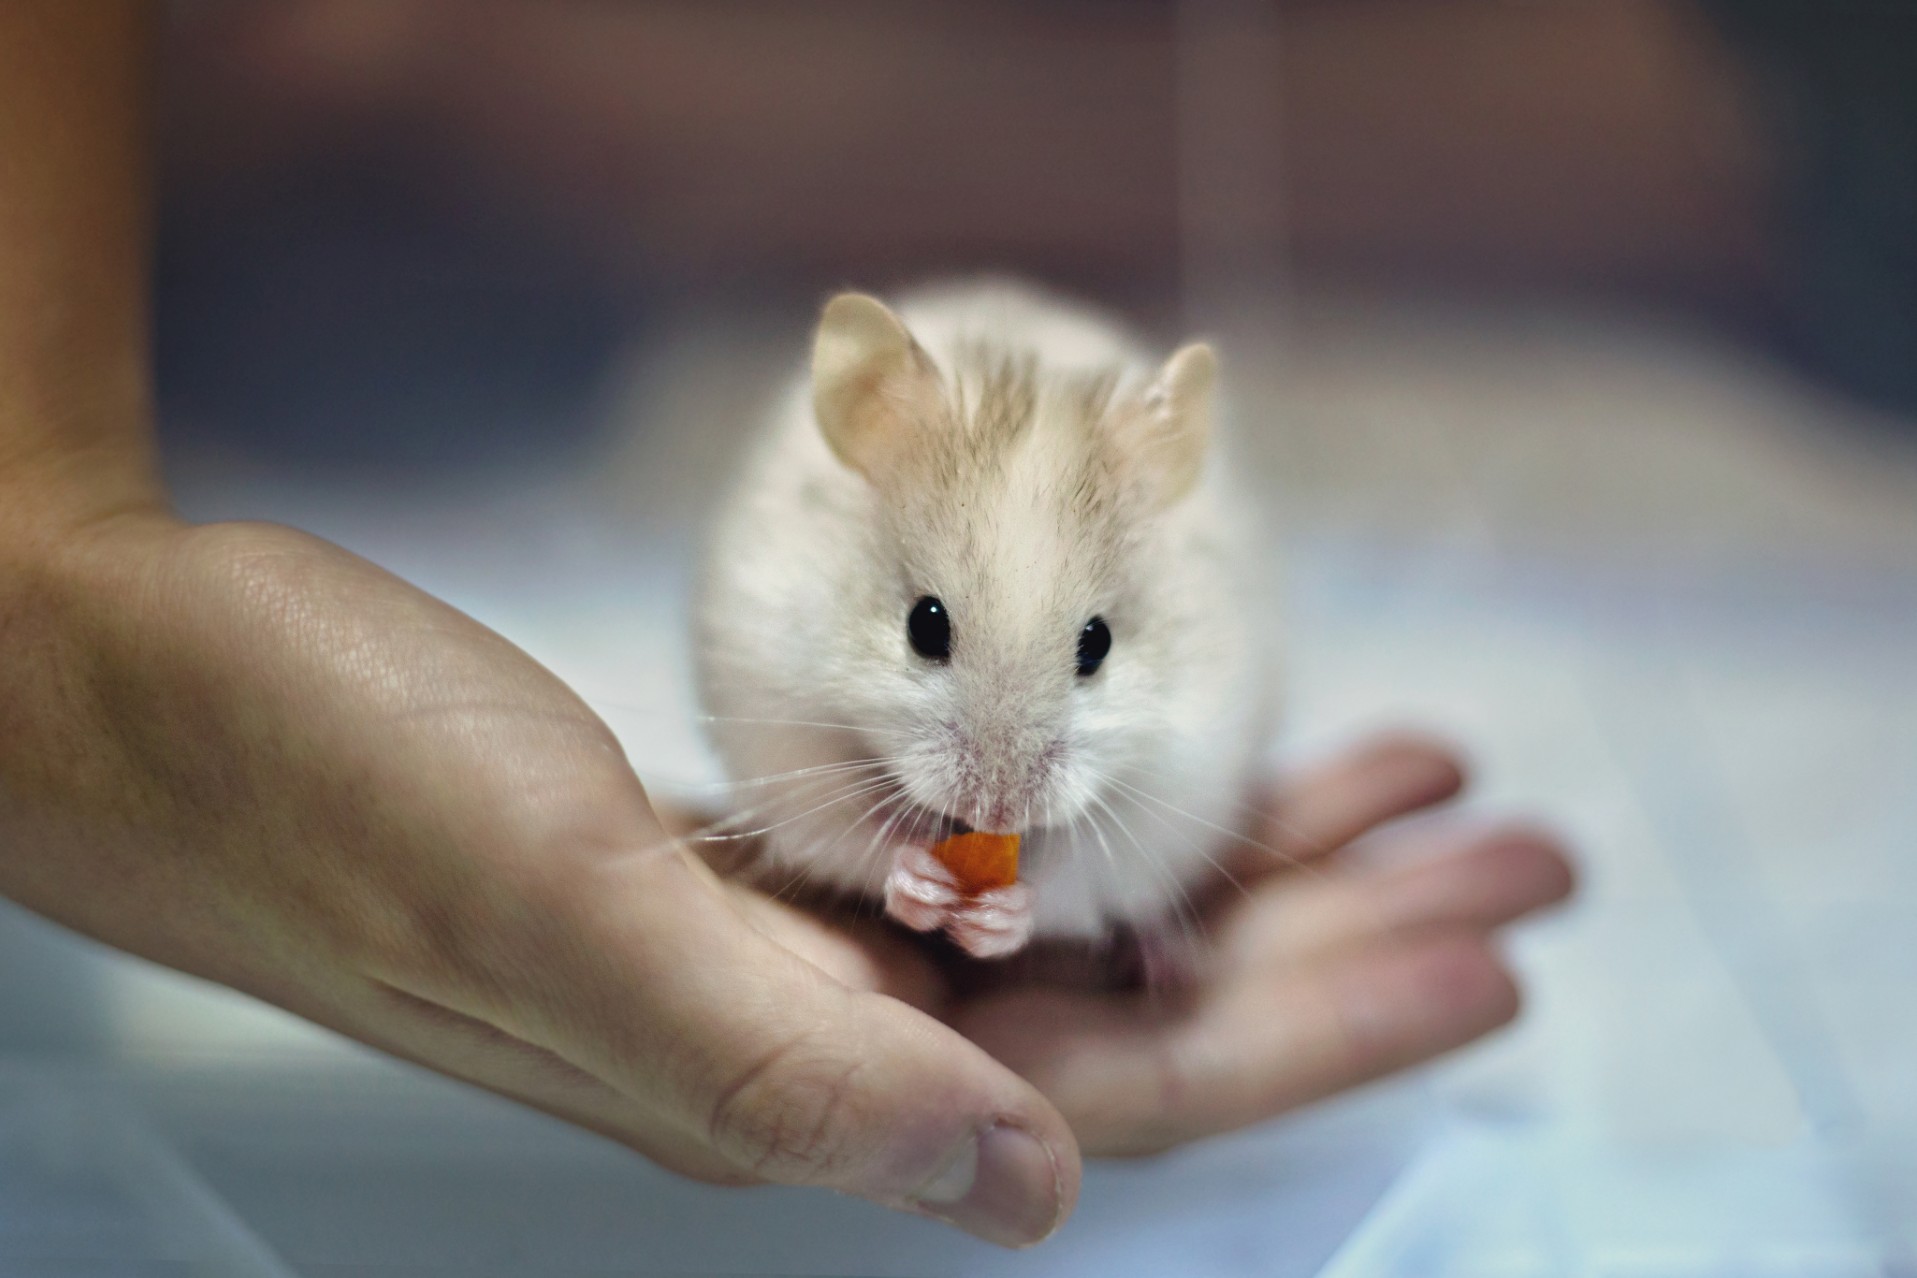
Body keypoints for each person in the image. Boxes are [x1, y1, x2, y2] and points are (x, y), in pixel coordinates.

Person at [0, 3, 1572, 1249]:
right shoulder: (797, 534)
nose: (994, 784)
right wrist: (864, 857)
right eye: (934, 633)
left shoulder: (1183, 558)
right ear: (857, 446)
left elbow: (1172, 786)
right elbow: (778, 770)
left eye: (1088, 654)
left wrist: (1074, 891)